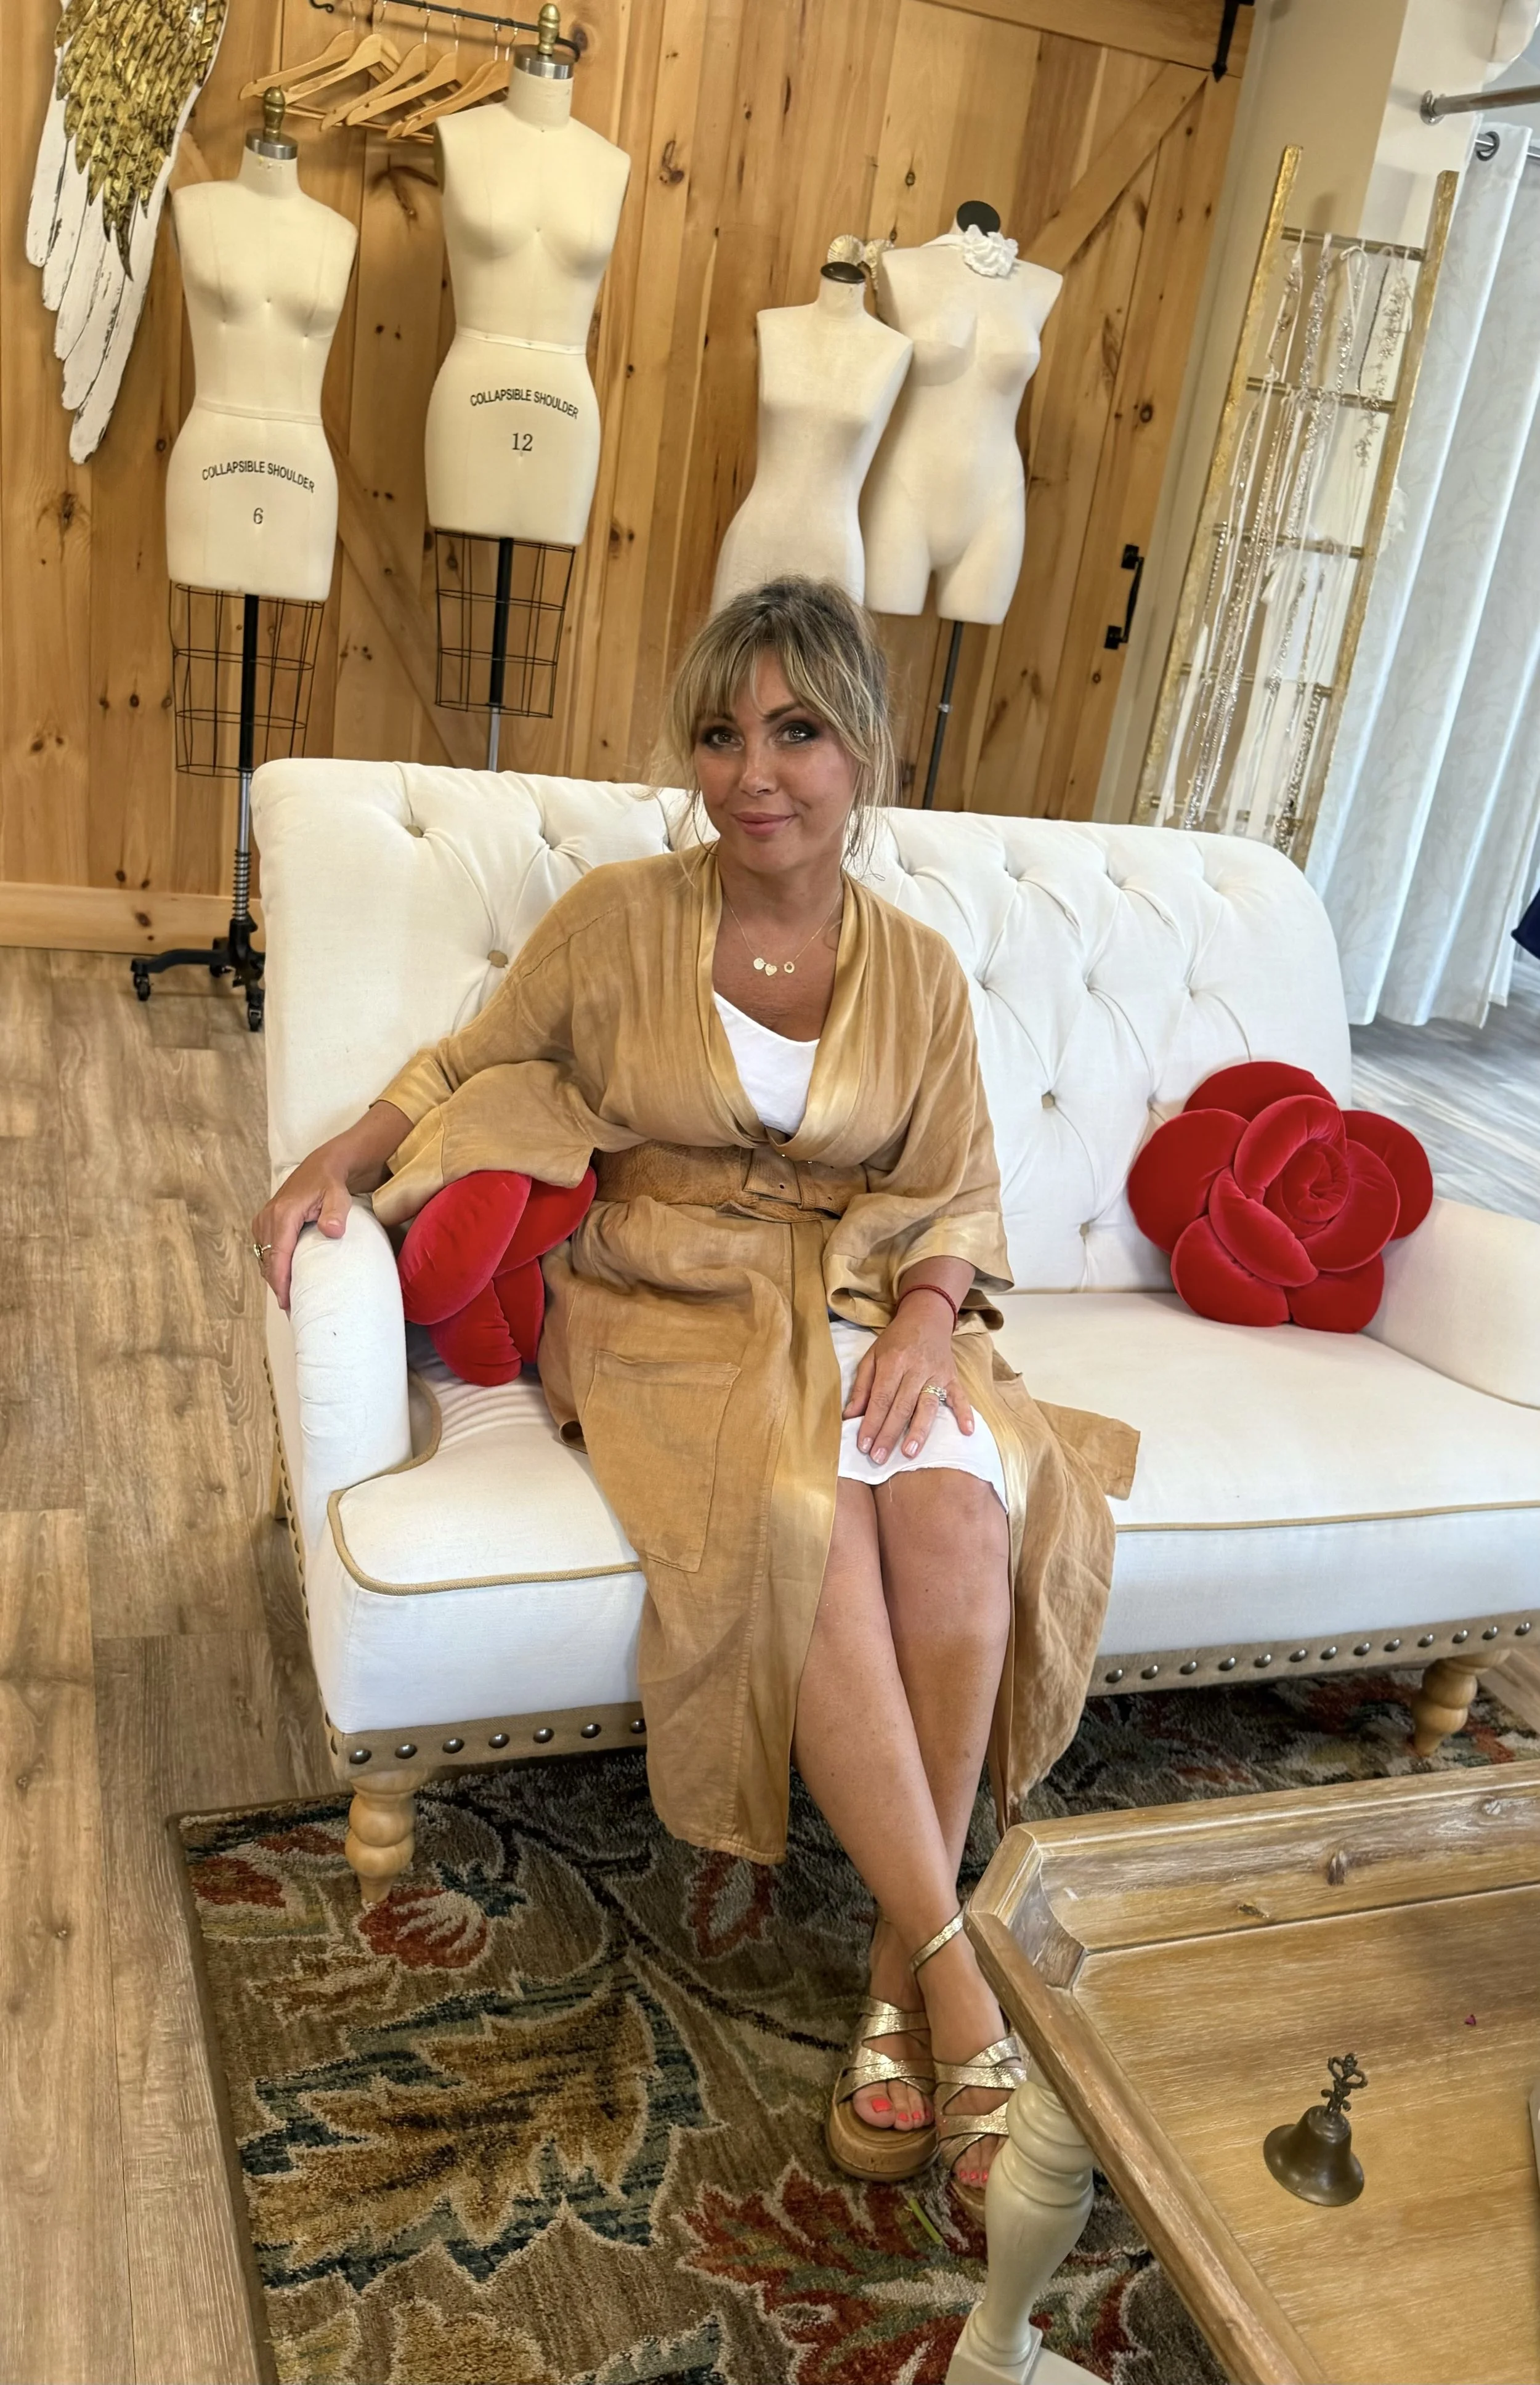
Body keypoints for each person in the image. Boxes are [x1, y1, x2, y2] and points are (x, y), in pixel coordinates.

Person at [251, 577, 1134, 2216]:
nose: (755, 773)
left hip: (864, 1300)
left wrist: (930, 1322)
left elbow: (954, 1193)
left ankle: (890, 1965)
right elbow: (463, 1067)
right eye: (722, 733)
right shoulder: (617, 918)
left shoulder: (922, 972)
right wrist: (335, 1156)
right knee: (797, 1513)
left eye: (797, 730)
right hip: (661, 1300)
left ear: (859, 747)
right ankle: (959, 1987)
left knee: (954, 1503)